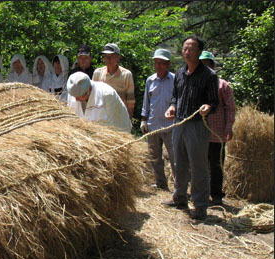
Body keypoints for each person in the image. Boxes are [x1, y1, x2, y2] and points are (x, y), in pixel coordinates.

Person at [162, 36, 219, 220]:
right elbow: (174, 97)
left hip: (197, 127)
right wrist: (172, 107)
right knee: (179, 163)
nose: (187, 52)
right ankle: (179, 197)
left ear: (199, 52)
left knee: (198, 166)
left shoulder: (209, 75)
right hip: (179, 123)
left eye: (191, 49)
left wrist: (208, 108)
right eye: (185, 48)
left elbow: (214, 102)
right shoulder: (179, 73)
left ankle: (200, 206)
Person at [199, 50, 236, 206]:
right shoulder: (197, 85)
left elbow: (230, 108)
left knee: (216, 164)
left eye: (207, 65)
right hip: (199, 132)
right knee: (199, 163)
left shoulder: (223, 85)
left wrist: (228, 127)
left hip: (216, 132)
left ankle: (216, 195)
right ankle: (201, 193)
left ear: (212, 66)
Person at [141, 49, 176, 191]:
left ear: (168, 64)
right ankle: (161, 183)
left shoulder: (175, 80)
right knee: (155, 157)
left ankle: (178, 185)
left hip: (171, 125)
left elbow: (178, 101)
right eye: (156, 63)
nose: (158, 66)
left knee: (175, 158)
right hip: (153, 123)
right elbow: (146, 102)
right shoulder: (150, 80)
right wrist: (144, 120)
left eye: (162, 63)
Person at [66, 72, 131, 133]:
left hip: (117, 129)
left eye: (80, 96)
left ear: (88, 90)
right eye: (74, 96)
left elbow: (109, 125)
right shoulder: (72, 92)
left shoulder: (107, 94)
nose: (76, 99)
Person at [93, 43, 135, 119]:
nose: (108, 59)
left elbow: (130, 100)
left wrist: (128, 119)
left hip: (120, 116)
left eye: (111, 56)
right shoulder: (98, 73)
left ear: (118, 57)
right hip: (101, 116)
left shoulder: (126, 75)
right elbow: (92, 96)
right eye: (106, 56)